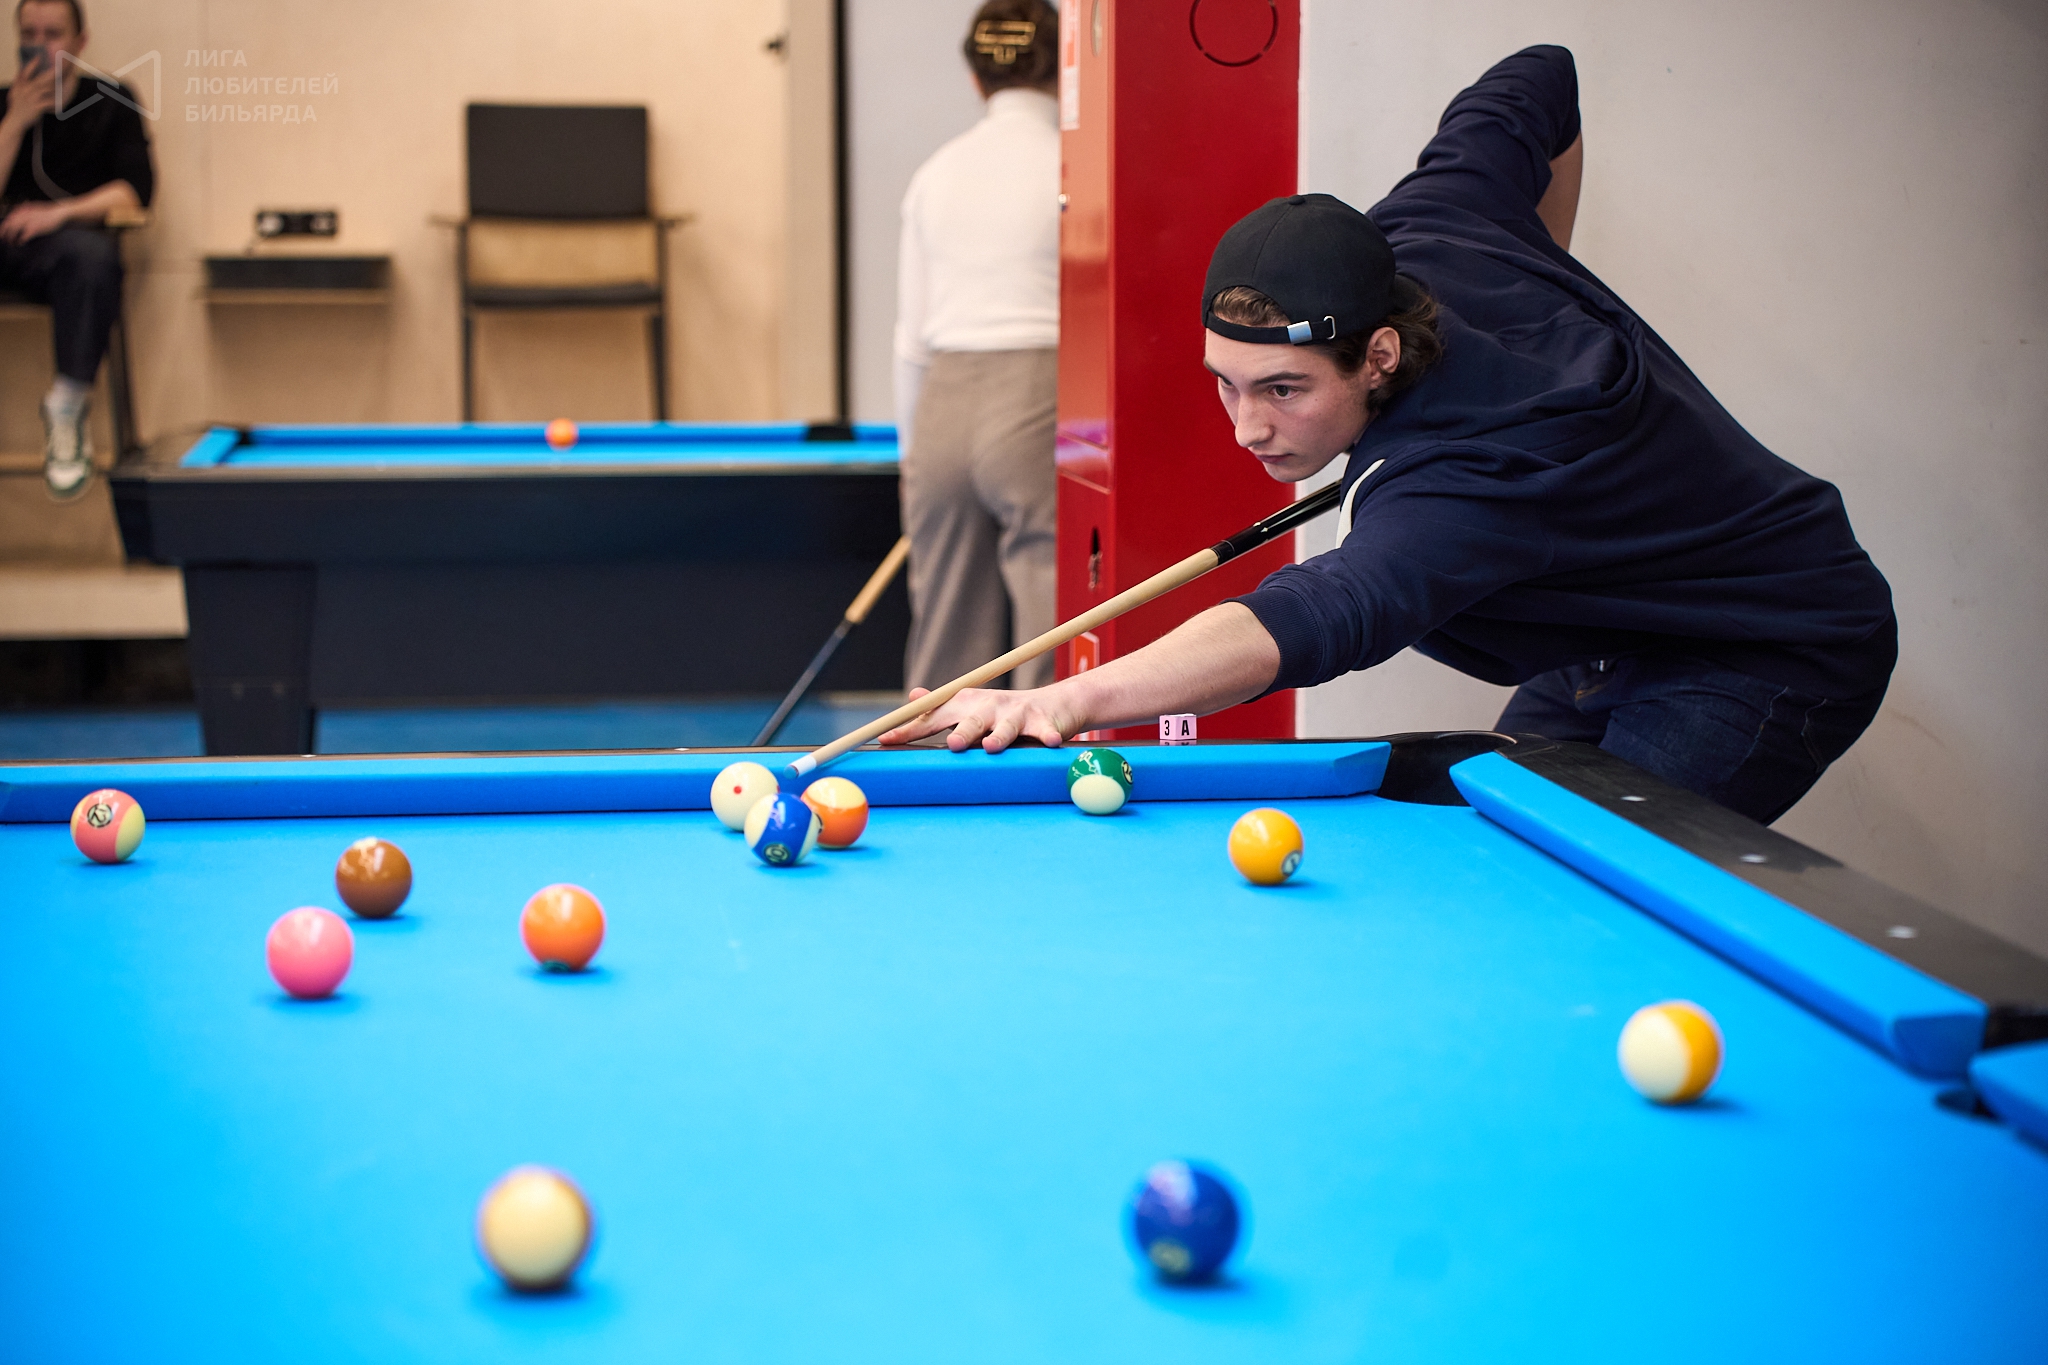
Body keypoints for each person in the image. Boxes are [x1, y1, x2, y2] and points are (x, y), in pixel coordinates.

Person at [885, 45, 1897, 826]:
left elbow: (1311, 616)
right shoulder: (1436, 219)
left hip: (1765, 645)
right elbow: (1538, 77)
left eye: (1282, 390)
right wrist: (1539, 263)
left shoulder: (1467, 480)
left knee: (1566, 895)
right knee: (1497, 840)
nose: (1246, 428)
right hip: (1607, 629)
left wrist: (1064, 703)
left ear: (1377, 354)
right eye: (1225, 384)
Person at [892, 0, 1059, 691]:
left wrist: (914, 461)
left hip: (944, 402)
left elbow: (910, 340)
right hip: (1042, 393)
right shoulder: (1073, 164)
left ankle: (931, 755)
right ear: (1061, 70)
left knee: (947, 644)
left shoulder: (936, 172)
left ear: (975, 78)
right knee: (1051, 635)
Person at [0, 0, 152, 501]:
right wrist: (15, 122)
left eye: (53, 34)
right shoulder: (3, 105)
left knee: (91, 257)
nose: (40, 45)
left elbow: (134, 192)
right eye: (29, 34)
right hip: (5, 240)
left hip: (68, 246)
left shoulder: (110, 101)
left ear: (80, 42)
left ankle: (66, 408)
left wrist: (58, 214)